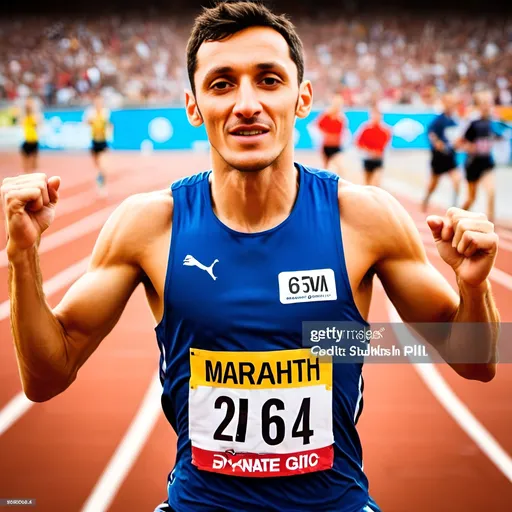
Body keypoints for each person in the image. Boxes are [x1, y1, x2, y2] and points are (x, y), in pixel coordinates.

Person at [2, 3, 500, 512]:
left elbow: (475, 361)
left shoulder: (364, 218)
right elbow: (47, 376)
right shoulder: (150, 225)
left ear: (301, 98)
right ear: (194, 106)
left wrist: (474, 285)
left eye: (268, 80)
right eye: (221, 84)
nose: (246, 104)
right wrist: (22, 255)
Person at [461, 91, 500, 222]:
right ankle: (458, 217)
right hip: (473, 165)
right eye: (484, 103)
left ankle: (491, 225)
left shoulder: (494, 122)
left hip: (487, 164)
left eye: (489, 103)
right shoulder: (473, 123)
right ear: (479, 106)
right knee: (471, 199)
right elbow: (461, 142)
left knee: (491, 192)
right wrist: (470, 148)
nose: (487, 106)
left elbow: (500, 136)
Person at [422, 93, 462, 212]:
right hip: (439, 158)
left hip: (450, 157)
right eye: (449, 103)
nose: (451, 106)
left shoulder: (454, 121)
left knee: (457, 180)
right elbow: (431, 133)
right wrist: (437, 143)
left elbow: (457, 138)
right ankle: (426, 199)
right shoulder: (439, 120)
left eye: (453, 104)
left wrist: (458, 144)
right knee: (433, 184)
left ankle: (454, 207)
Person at [354, 105, 392, 187]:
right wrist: (368, 151)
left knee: (376, 183)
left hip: (378, 160)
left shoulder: (385, 130)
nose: (376, 117)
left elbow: (386, 144)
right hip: (367, 159)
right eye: (374, 115)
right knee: (367, 185)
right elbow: (358, 143)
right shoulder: (365, 128)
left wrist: (378, 152)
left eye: (378, 115)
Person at [83, 94, 112, 196]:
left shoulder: (105, 112)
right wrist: (91, 121)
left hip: (103, 142)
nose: (99, 104)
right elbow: (86, 123)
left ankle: (103, 186)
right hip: (94, 142)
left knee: (103, 166)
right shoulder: (90, 113)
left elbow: (109, 125)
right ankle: (100, 180)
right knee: (97, 166)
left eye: (100, 102)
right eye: (97, 102)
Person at [316, 93, 346, 175]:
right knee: (325, 168)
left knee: (340, 166)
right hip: (326, 145)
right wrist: (325, 135)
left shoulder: (341, 118)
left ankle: (339, 184)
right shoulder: (326, 115)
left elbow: (342, 133)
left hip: (336, 146)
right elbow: (318, 126)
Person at [18, 96, 42, 174]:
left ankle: (32, 173)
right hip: (28, 140)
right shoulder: (25, 117)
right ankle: (27, 173)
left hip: (33, 140)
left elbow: (38, 121)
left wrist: (32, 106)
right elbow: (23, 112)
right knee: (26, 158)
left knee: (33, 160)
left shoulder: (34, 117)